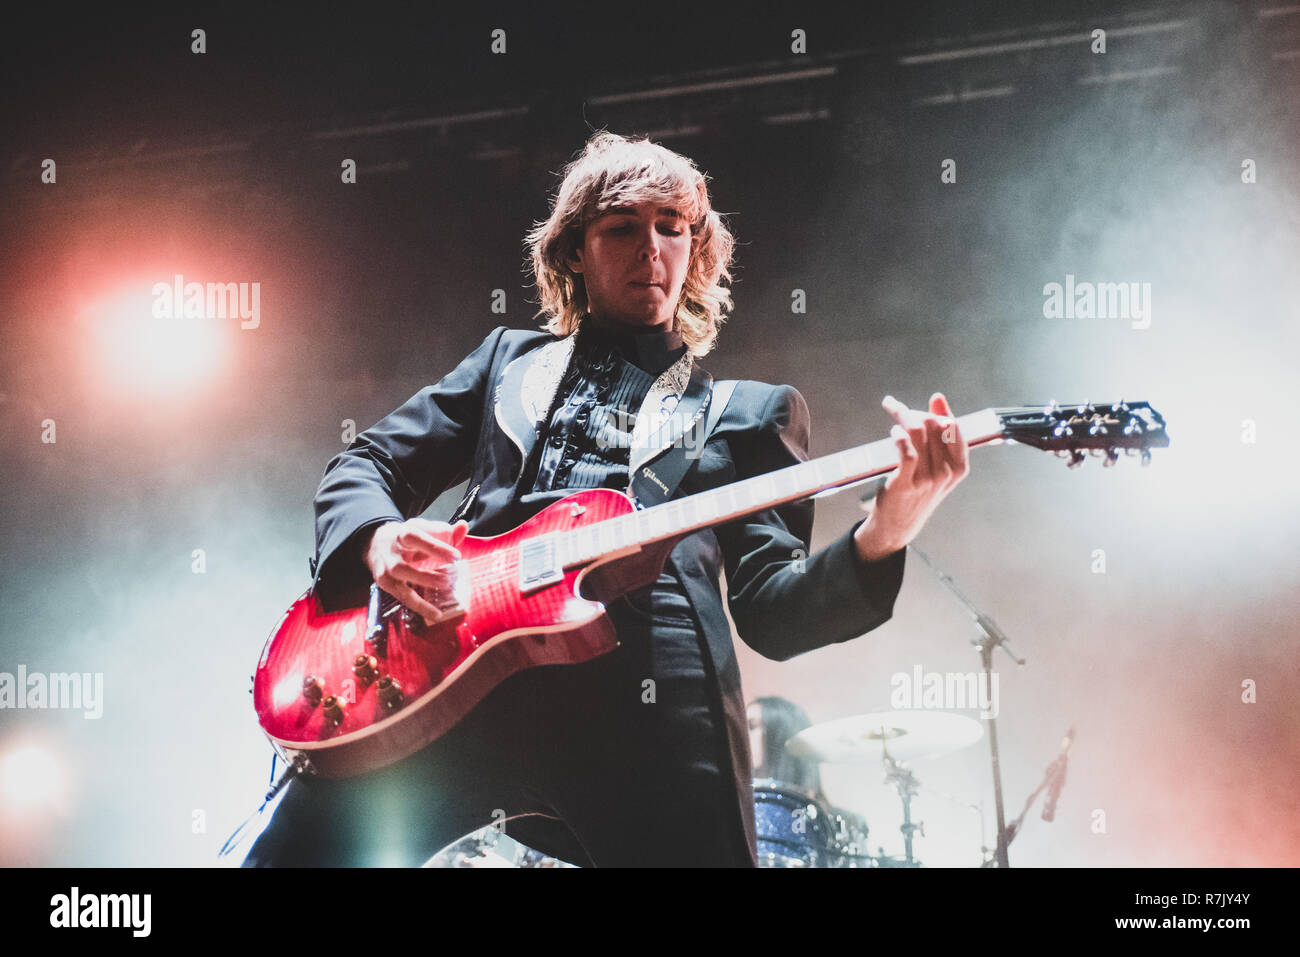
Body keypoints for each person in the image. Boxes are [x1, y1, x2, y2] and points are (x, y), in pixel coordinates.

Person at [242, 131, 969, 867]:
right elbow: (366, 463)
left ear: (696, 251)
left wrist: (889, 524)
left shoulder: (750, 414)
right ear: (572, 253)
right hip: (456, 666)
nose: (649, 248)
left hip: (648, 689)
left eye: (671, 228)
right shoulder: (506, 362)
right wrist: (379, 539)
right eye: (621, 227)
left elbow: (776, 609)